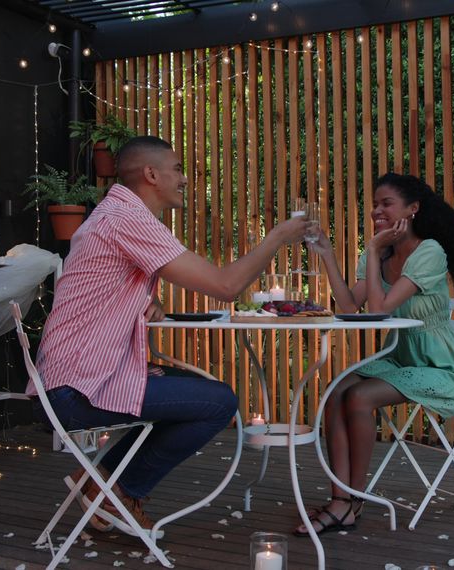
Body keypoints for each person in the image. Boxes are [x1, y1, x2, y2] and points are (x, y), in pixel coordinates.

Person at [30, 135, 310, 536]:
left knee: (196, 389)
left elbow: (107, 284)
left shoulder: (114, 215)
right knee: (219, 402)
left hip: (70, 381)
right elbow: (226, 286)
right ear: (150, 174)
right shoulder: (128, 219)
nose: (184, 179)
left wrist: (147, 301)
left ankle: (101, 482)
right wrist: (277, 238)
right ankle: (115, 488)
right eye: (177, 169)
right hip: (75, 392)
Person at [296, 172, 454, 536]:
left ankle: (352, 501)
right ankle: (339, 499)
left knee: (359, 396)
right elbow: (348, 306)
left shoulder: (429, 251)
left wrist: (375, 251)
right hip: (399, 356)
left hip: (439, 365)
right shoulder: (379, 251)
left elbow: (380, 310)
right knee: (335, 391)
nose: (377, 210)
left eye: (386, 203)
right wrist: (329, 254)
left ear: (413, 208)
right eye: (375, 204)